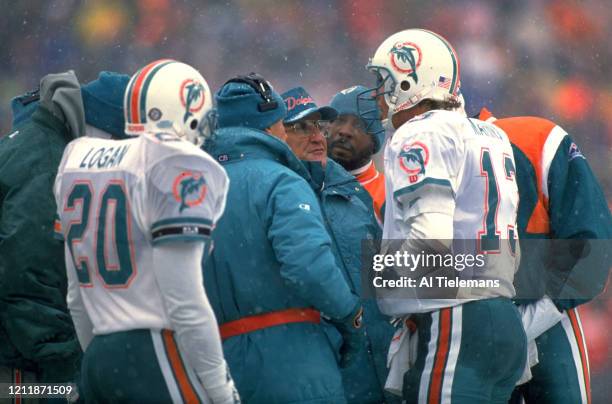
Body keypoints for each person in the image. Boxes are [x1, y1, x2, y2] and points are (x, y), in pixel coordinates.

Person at [53, 60, 239, 403]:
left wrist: (101, 358)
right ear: (187, 111)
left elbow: (75, 298)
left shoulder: (76, 158)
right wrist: (221, 389)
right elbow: (185, 301)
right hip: (154, 351)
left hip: (98, 357)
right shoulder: (176, 162)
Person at [365, 29, 527, 402]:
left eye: (385, 81)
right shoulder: (490, 134)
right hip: (502, 318)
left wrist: (382, 279)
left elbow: (431, 239)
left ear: (411, 79)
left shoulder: (421, 132)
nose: (377, 94)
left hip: (455, 317)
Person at [203, 73, 364, 403]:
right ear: (274, 131)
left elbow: (396, 277)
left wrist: (471, 277)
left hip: (226, 367)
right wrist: (352, 319)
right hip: (301, 363)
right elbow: (311, 270)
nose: (319, 136)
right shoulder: (282, 184)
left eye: (320, 126)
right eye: (300, 127)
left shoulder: (356, 195)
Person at [0, 70, 129, 399]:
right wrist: (64, 365)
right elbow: (29, 278)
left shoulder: (42, 145)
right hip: (21, 371)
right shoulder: (47, 163)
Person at [473, 108, 612, 404]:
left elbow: (593, 252)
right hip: (471, 325)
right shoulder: (408, 156)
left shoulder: (537, 137)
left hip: (546, 318)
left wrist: (534, 313)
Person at [281, 86, 397, 403]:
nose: (343, 132)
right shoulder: (290, 192)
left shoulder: (390, 197)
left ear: (376, 138)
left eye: (358, 124)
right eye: (337, 123)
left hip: (385, 356)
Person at [327, 85, 386, 223]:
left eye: (359, 125)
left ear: (375, 141)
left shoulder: (387, 194)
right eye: (339, 120)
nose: (345, 131)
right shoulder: (305, 182)